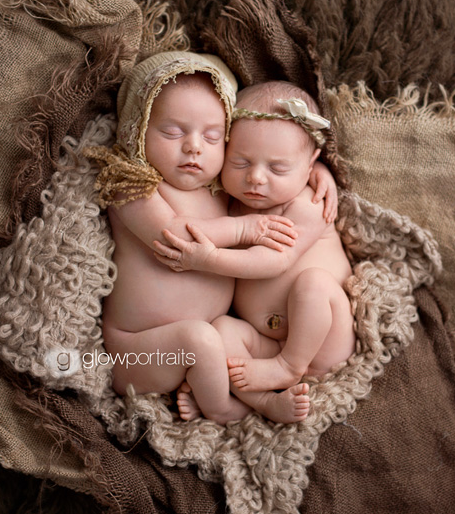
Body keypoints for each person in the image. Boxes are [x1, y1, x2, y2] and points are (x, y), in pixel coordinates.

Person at [84, 53, 335, 425]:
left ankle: (246, 396)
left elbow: (269, 153)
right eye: (173, 132)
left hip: (204, 349)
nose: (194, 147)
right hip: (135, 354)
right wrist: (245, 229)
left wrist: (313, 171)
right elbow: (174, 236)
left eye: (213, 136)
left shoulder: (223, 189)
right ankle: (226, 410)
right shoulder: (132, 185)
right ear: (137, 129)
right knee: (199, 339)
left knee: (213, 339)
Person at [155, 81, 355, 422]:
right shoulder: (232, 201)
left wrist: (209, 259)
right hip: (265, 343)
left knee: (314, 284)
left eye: (277, 168)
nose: (256, 179)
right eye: (240, 162)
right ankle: (261, 402)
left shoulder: (307, 203)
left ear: (309, 166)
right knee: (222, 330)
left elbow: (276, 260)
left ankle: (288, 367)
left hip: (322, 344)